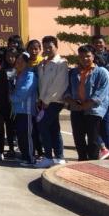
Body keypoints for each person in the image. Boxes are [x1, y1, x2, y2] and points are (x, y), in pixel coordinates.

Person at [66, 45, 109, 161]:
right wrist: (71, 101)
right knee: (78, 137)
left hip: (93, 109)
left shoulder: (101, 72)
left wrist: (88, 104)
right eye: (81, 56)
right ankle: (81, 159)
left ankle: (93, 161)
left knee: (93, 138)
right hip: (76, 108)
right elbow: (67, 89)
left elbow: (102, 91)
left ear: (93, 56)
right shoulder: (73, 72)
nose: (85, 59)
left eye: (88, 56)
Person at [36, 36, 68, 167]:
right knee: (54, 128)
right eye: (45, 47)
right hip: (43, 101)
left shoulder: (61, 63)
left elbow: (59, 84)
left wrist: (47, 100)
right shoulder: (42, 63)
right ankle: (59, 157)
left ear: (56, 47)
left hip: (55, 101)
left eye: (50, 47)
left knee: (43, 125)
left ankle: (48, 156)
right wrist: (41, 99)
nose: (47, 49)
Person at [10, 52, 39, 167]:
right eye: (17, 61)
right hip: (17, 110)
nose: (19, 63)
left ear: (27, 63)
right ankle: (25, 156)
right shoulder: (16, 75)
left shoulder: (30, 75)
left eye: (22, 61)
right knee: (21, 135)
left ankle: (30, 158)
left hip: (26, 111)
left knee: (27, 135)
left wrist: (11, 97)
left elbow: (23, 92)